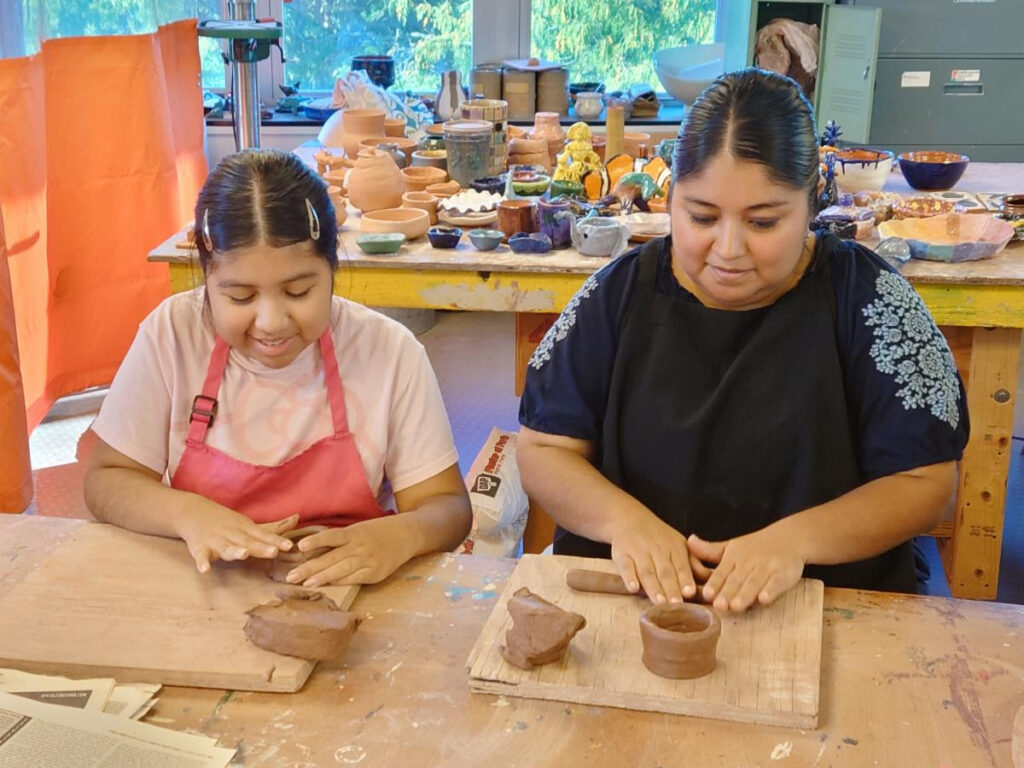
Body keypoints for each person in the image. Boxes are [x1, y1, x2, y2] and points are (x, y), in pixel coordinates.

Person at [517, 69, 969, 613]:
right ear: (671, 197)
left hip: (823, 600)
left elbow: (925, 481)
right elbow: (544, 449)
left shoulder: (869, 301)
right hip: (639, 597)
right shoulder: (616, 296)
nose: (728, 249)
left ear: (812, 203)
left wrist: (795, 542)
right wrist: (625, 523)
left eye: (763, 222)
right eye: (701, 217)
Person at [85, 149, 471, 587]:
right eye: (241, 297)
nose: (271, 322)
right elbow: (107, 481)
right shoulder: (172, 335)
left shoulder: (388, 352)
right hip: (207, 589)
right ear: (206, 274)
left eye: (298, 291)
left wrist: (401, 536)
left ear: (332, 264)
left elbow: (448, 507)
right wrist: (186, 513)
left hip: (347, 593)